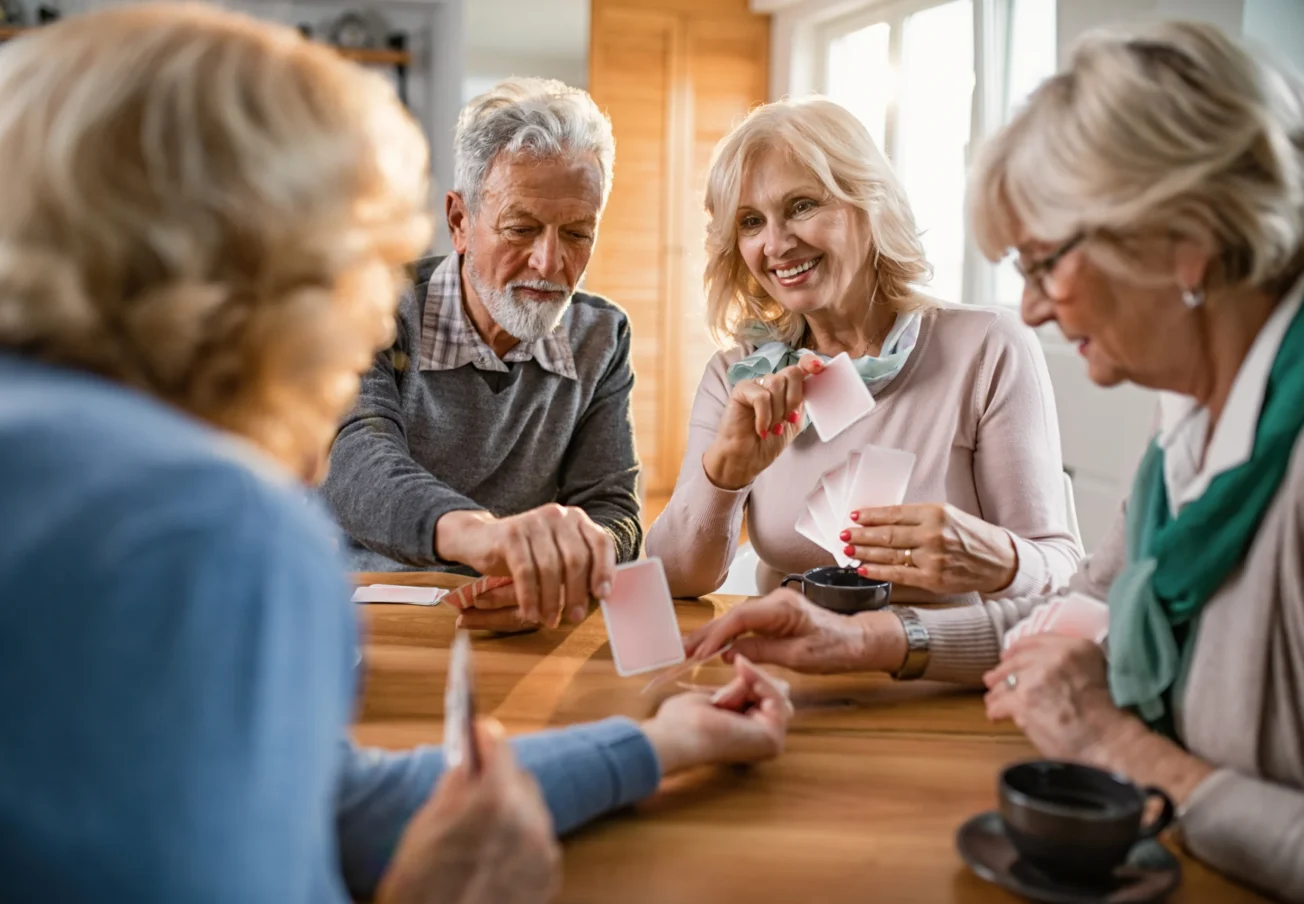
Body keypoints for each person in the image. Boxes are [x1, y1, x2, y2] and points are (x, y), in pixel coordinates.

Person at [0, 7, 793, 902]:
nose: (358, 311)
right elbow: (357, 458)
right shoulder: (214, 530)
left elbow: (319, 803)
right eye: (347, 266)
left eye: (578, 233)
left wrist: (655, 744)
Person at [686, 21, 1304, 901]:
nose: (1033, 309)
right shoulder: (1189, 441)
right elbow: (1079, 611)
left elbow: (1060, 595)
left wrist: (1124, 750)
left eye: (1047, 262)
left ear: (1186, 239)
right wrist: (864, 639)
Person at [645, 98, 1082, 604]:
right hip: (787, 666)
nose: (776, 244)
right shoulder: (737, 376)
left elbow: (1060, 570)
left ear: (869, 203)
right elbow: (672, 582)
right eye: (750, 222)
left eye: (802, 206)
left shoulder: (986, 348)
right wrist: (724, 475)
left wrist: (994, 556)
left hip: (942, 670)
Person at [321, 77, 641, 632]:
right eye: (521, 229)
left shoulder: (602, 336)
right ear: (459, 222)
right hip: (363, 607)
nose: (548, 262)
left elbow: (614, 512)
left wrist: (567, 566)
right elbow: (355, 458)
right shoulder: (375, 306)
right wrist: (486, 536)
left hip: (515, 618)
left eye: (577, 233)